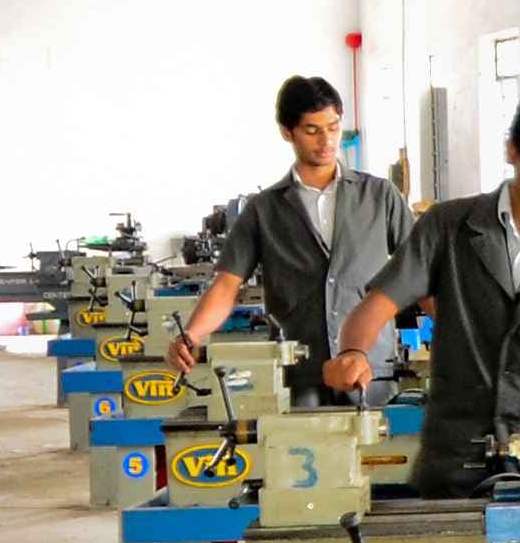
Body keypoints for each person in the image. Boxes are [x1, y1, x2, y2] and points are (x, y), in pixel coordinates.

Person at [322, 90, 520, 497]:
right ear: (511, 152)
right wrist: (352, 353)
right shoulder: (447, 227)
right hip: (452, 466)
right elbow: (376, 306)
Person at [169, 74, 414, 404]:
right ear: (287, 132)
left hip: (371, 373)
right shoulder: (263, 210)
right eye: (312, 130)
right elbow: (227, 285)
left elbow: (422, 271)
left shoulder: (380, 196)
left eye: (333, 126)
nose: (327, 140)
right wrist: (192, 335)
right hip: (298, 375)